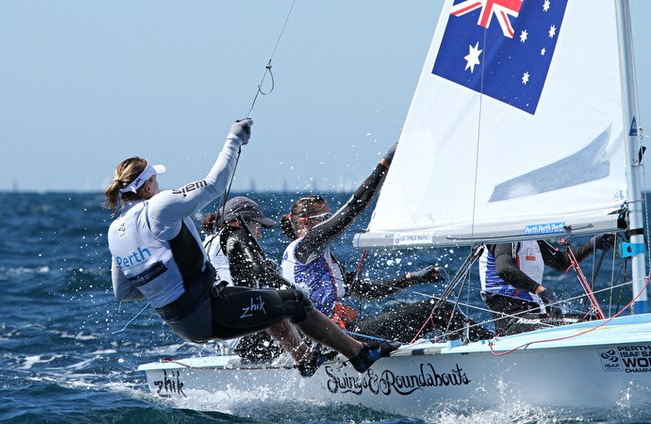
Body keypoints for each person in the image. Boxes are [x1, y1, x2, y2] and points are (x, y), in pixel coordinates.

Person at [104, 119, 392, 377]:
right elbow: (214, 185)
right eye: (155, 179)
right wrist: (234, 139)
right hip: (206, 310)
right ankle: (361, 355)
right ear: (146, 187)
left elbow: (125, 292)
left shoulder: (115, 232)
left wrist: (168, 286)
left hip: (182, 322)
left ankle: (304, 358)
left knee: (267, 302)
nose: (158, 184)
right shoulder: (159, 206)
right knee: (295, 302)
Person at [280, 145, 493, 343]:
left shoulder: (312, 257)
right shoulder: (305, 246)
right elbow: (355, 205)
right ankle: (495, 345)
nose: (331, 220)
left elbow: (364, 289)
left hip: (334, 337)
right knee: (437, 310)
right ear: (306, 223)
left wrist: (411, 279)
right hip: (335, 339)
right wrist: (385, 165)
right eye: (325, 216)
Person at [201, 196, 288, 362]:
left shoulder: (210, 241)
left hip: (227, 331)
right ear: (240, 222)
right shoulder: (235, 237)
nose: (259, 234)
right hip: (246, 336)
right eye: (256, 226)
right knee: (308, 324)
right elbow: (261, 274)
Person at [478, 235, 615, 336]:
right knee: (584, 324)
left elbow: (562, 262)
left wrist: (594, 243)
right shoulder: (507, 234)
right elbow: (504, 269)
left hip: (529, 315)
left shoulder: (531, 237)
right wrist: (540, 290)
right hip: (510, 319)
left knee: (592, 321)